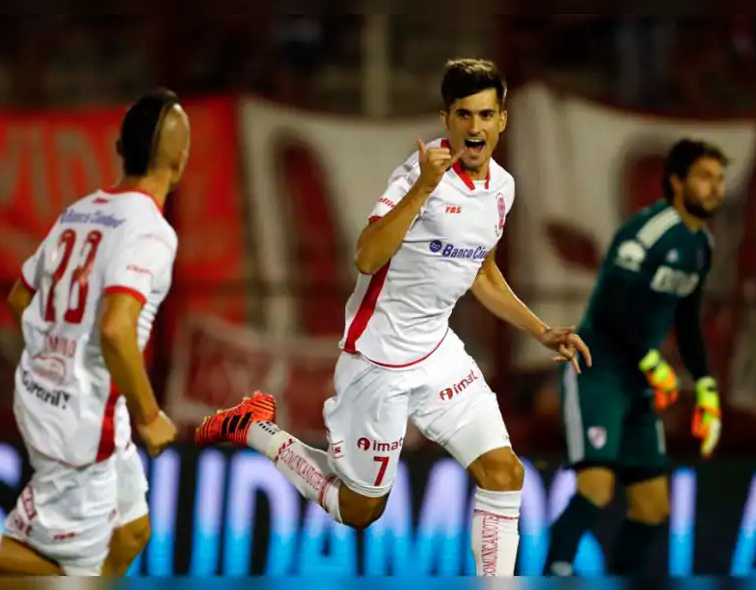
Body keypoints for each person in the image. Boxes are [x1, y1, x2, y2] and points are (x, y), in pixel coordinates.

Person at [194, 58, 591, 577]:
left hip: (437, 351)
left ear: (503, 120)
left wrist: (541, 330)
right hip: (378, 362)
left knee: (504, 472)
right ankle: (256, 429)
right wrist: (423, 188)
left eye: (486, 115)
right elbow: (366, 256)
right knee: (359, 510)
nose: (476, 129)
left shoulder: (502, 188)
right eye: (464, 115)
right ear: (446, 119)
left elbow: (482, 271)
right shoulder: (415, 177)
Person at [0, 88, 188, 576]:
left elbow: (20, 296)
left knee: (131, 533)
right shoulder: (151, 231)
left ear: (118, 150)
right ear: (180, 159)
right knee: (63, 575)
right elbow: (115, 329)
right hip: (83, 416)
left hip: (54, 392)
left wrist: (56, 347)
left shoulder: (80, 211)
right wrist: (150, 415)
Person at [546, 138, 726, 576]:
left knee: (652, 506)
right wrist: (651, 363)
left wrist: (706, 389)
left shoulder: (703, 245)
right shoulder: (645, 233)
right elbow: (610, 311)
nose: (716, 188)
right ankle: (554, 573)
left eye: (721, 179)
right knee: (596, 488)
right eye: (705, 177)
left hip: (639, 381)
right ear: (677, 182)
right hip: (599, 370)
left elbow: (686, 321)